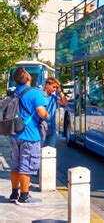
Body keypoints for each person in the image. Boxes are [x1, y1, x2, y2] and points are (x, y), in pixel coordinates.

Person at [9, 67, 48, 204]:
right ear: (28, 78)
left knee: (15, 165)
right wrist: (46, 114)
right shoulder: (35, 93)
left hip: (14, 134)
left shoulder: (14, 93)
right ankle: (24, 196)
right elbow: (42, 113)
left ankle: (14, 193)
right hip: (29, 135)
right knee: (27, 166)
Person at [42, 77, 69, 148]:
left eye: (56, 88)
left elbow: (65, 103)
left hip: (52, 128)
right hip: (41, 128)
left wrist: (60, 91)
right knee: (39, 152)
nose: (55, 89)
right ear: (47, 85)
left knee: (49, 153)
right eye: (53, 87)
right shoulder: (40, 96)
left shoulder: (53, 97)